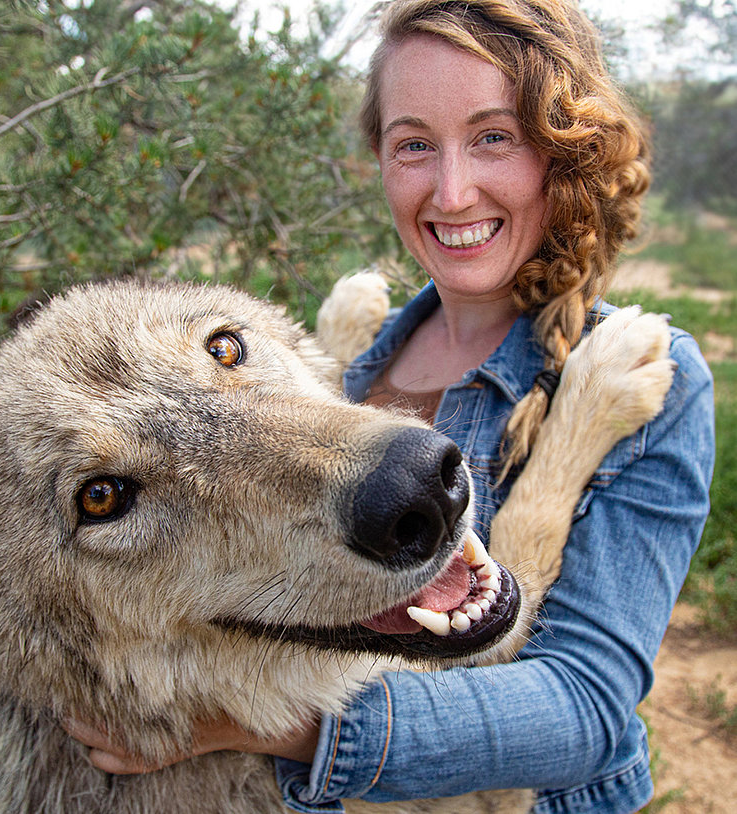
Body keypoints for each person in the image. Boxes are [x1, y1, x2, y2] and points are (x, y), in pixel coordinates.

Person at [66, 1, 715, 811]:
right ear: (379, 159)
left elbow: (582, 712)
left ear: (564, 150)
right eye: (414, 144)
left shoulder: (651, 376)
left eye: (494, 136)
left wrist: (265, 728)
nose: (451, 190)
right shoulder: (350, 367)